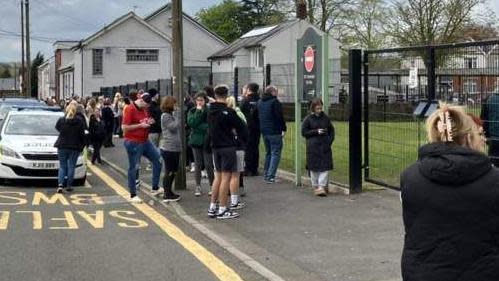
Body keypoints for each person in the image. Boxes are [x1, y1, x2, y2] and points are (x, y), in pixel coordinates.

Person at [400, 105, 499, 281]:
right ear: (469, 137)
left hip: (423, 272)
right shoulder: (494, 179)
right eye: (479, 135)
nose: (483, 139)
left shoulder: (410, 177)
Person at [207, 85, 247, 219]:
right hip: (228, 147)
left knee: (217, 177)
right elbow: (242, 128)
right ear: (227, 95)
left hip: (215, 147)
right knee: (226, 178)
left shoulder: (210, 111)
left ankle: (212, 207)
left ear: (215, 95)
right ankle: (223, 209)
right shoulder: (228, 112)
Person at [122, 92, 162, 203]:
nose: (146, 108)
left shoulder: (144, 109)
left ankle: (155, 187)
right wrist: (140, 125)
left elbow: (144, 119)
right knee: (134, 167)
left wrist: (148, 121)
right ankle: (133, 194)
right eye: (146, 105)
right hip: (133, 142)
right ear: (141, 101)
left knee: (158, 160)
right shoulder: (129, 109)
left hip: (145, 141)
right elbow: (124, 128)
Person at [301, 98, 334, 196]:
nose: (319, 110)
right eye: (317, 108)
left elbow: (331, 130)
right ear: (313, 108)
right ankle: (316, 186)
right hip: (313, 147)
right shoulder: (308, 119)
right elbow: (304, 132)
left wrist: (329, 140)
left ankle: (321, 186)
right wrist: (316, 132)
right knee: (314, 167)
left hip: (325, 145)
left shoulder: (326, 118)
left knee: (325, 166)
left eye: (321, 108)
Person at [54, 103, 86, 193]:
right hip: (74, 147)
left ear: (66, 110)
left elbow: (57, 128)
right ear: (75, 111)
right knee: (71, 166)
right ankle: (68, 186)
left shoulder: (62, 120)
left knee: (62, 166)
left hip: (62, 146)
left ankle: (60, 185)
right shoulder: (79, 121)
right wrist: (83, 145)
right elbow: (82, 135)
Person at [187, 91, 214, 197]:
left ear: (205, 100)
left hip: (207, 140)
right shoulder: (192, 111)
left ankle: (212, 185)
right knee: (198, 164)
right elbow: (191, 123)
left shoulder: (209, 111)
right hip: (196, 141)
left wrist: (199, 126)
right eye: (197, 100)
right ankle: (198, 186)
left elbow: (209, 125)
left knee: (208, 164)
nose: (199, 102)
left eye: (201, 100)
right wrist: (198, 113)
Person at [258, 85, 286, 184]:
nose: (277, 93)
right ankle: (271, 176)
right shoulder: (275, 102)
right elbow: (279, 117)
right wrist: (283, 129)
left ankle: (266, 174)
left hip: (264, 131)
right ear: (272, 92)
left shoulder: (260, 102)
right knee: (275, 153)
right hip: (274, 131)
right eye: (276, 91)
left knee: (268, 152)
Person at [159, 96, 182, 202]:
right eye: (174, 104)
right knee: (169, 171)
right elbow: (173, 127)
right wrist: (177, 116)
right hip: (169, 148)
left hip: (174, 148)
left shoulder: (169, 115)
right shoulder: (165, 116)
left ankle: (169, 191)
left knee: (173, 170)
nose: (176, 106)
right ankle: (167, 193)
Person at [226, 96, 247, 206]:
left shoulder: (220, 115)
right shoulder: (238, 115)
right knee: (236, 173)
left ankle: (222, 201)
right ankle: (235, 198)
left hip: (224, 147)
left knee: (225, 174)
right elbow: (244, 130)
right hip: (237, 146)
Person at [240, 83, 261, 176]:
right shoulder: (259, 100)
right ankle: (254, 168)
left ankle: (247, 168)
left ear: (248, 89)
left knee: (247, 148)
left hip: (247, 127)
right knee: (255, 147)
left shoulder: (245, 100)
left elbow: (241, 112)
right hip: (257, 127)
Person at [481, 89, 499, 166]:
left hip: (494, 138)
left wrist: (487, 137)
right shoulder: (489, 99)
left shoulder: (489, 99)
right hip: (493, 136)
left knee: (494, 164)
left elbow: (484, 120)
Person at [146, 89, 162, 171]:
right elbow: (151, 119)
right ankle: (149, 164)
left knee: (156, 147)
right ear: (154, 95)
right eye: (157, 94)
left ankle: (154, 163)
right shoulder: (151, 106)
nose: (158, 95)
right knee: (152, 147)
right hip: (153, 130)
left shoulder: (156, 105)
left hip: (158, 129)